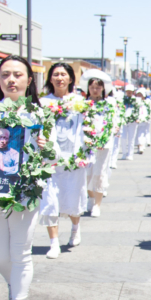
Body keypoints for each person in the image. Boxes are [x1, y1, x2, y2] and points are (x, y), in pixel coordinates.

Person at [0, 55, 47, 300]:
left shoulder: (39, 115)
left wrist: (44, 147)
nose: (11, 80)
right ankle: (15, 284)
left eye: (18, 75)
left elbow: (51, 156)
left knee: (20, 252)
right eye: (6, 74)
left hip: (24, 194)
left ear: (29, 80)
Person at [40, 62, 87, 256]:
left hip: (74, 160)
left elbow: (91, 126)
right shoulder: (43, 103)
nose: (60, 78)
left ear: (70, 78)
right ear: (50, 78)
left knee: (73, 199)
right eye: (56, 74)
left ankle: (75, 228)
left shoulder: (79, 102)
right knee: (50, 201)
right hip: (50, 162)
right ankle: (54, 243)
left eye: (63, 74)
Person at [84, 70, 117, 217]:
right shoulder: (84, 104)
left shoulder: (109, 104)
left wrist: (112, 130)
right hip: (87, 144)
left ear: (103, 88)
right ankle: (90, 199)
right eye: (92, 87)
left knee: (99, 173)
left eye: (98, 87)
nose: (95, 90)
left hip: (104, 144)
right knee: (87, 174)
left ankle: (97, 204)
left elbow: (114, 122)